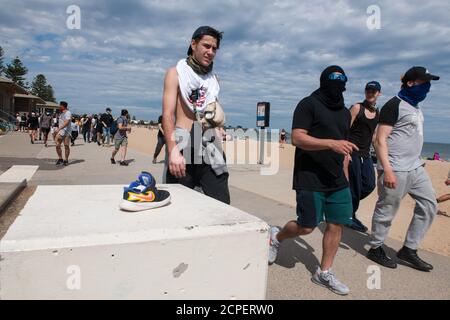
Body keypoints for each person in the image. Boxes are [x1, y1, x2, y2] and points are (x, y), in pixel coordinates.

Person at [268, 66, 357, 295]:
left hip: (337, 179)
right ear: (323, 82)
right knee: (307, 227)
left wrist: (345, 171)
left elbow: (344, 148)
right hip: (309, 176)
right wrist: (330, 143)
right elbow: (297, 138)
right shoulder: (308, 104)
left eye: (341, 83)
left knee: (336, 224)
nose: (337, 88)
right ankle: (276, 237)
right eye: (333, 82)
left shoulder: (345, 113)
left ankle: (324, 272)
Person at [367, 66, 440, 272]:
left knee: (429, 204)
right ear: (410, 83)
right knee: (387, 209)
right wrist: (387, 169)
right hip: (395, 167)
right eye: (424, 82)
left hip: (415, 166)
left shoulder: (416, 106)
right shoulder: (394, 105)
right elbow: (379, 140)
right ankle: (376, 247)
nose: (427, 87)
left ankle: (409, 248)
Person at [162, 26, 230, 204]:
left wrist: (219, 128)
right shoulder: (175, 74)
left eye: (214, 49)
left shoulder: (214, 80)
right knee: (178, 205)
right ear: (193, 44)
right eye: (206, 46)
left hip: (210, 144)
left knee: (222, 204)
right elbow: (167, 115)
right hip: (183, 143)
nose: (210, 52)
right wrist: (173, 151)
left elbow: (211, 112)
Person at [346, 81, 381, 233]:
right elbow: (343, 129)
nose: (370, 93)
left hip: (366, 155)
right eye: (368, 90)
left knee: (369, 185)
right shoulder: (357, 108)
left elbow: (374, 137)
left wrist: (381, 158)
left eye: (373, 91)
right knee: (355, 187)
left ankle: (345, 206)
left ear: (378, 93)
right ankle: (349, 216)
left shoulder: (377, 113)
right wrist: (344, 151)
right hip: (352, 152)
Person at [54, 101, 72, 166]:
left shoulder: (68, 113)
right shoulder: (61, 113)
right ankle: (60, 158)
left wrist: (59, 128)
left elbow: (67, 122)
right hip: (60, 132)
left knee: (66, 146)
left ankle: (66, 159)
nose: (59, 107)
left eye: (60, 106)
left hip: (67, 132)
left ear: (63, 106)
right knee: (57, 145)